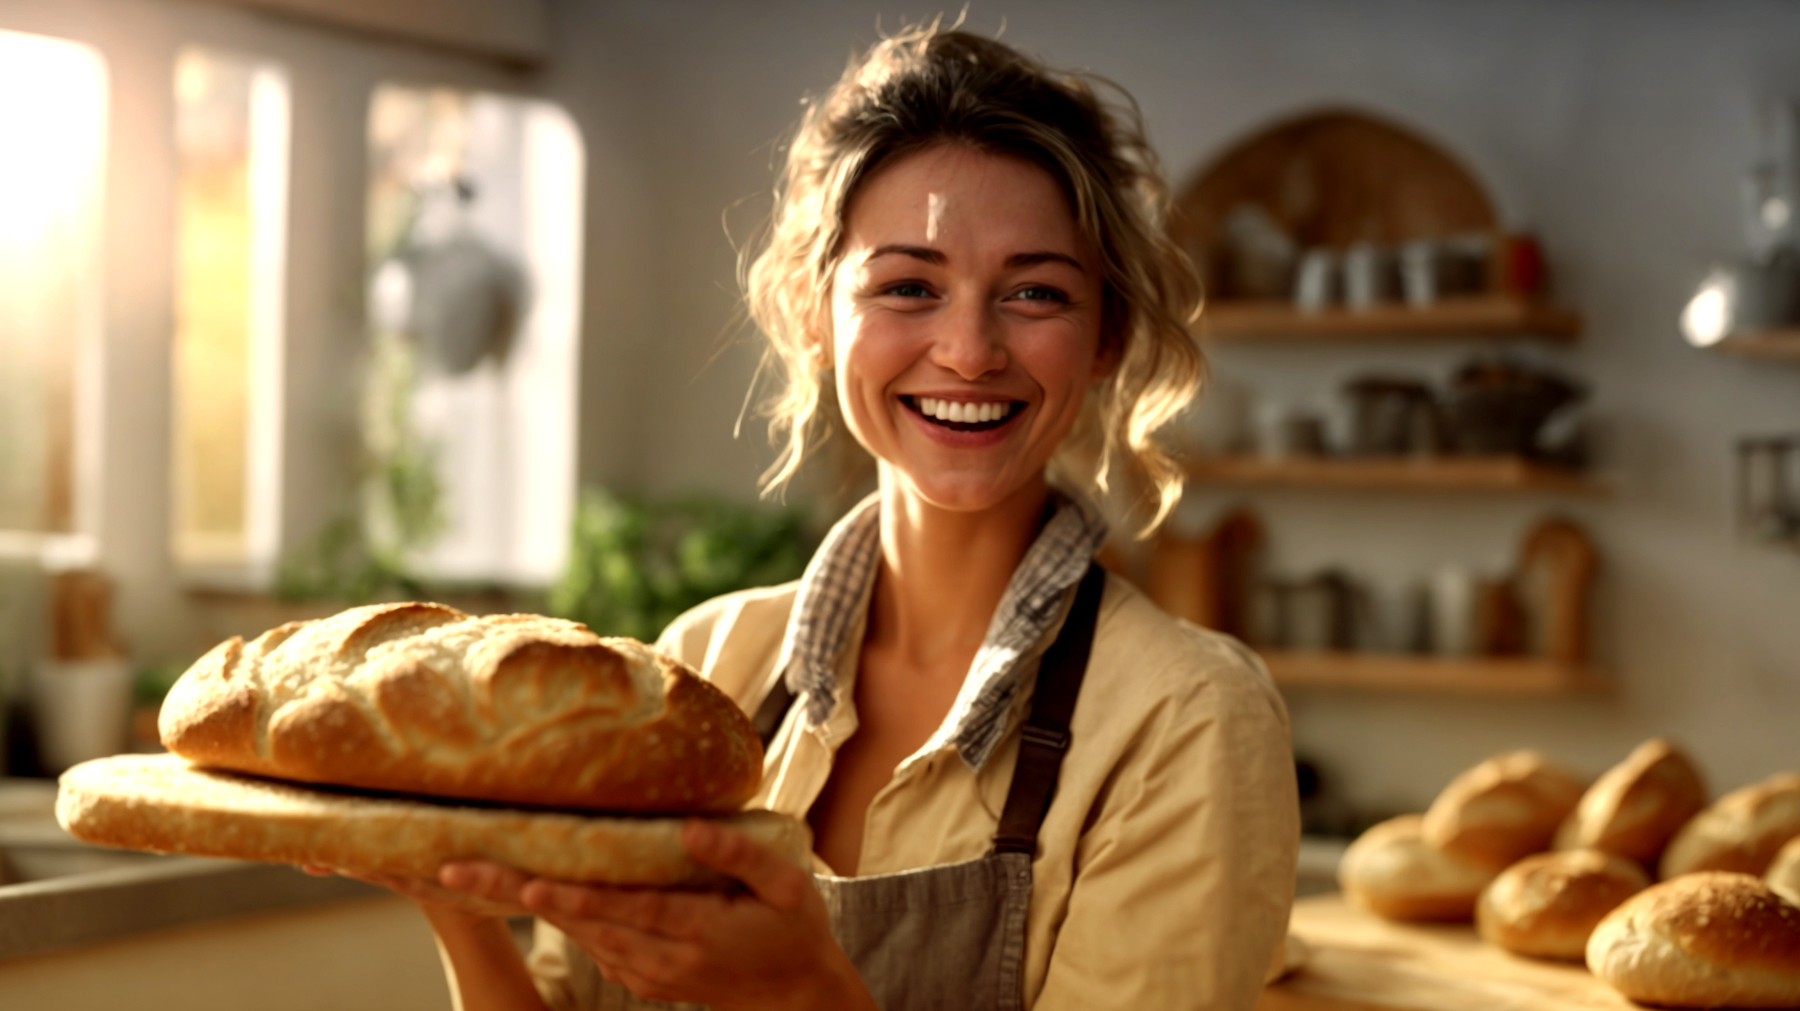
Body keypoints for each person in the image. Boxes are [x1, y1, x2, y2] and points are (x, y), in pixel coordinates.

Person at [368, 24, 1298, 1011]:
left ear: (1105, 334)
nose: (970, 350)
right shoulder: (705, 667)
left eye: (1035, 292)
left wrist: (807, 992)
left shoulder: (1186, 722)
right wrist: (451, 895)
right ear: (814, 313)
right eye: (908, 287)